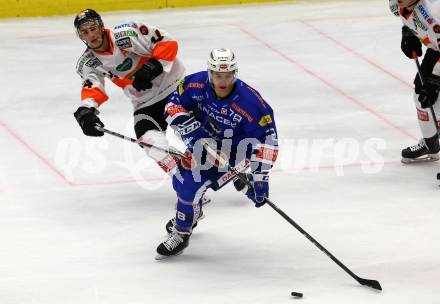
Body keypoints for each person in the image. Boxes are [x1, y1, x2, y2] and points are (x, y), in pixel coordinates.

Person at [156, 48, 279, 259]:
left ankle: (182, 231)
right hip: (205, 141)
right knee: (179, 180)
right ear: (210, 73)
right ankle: (195, 211)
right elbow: (172, 106)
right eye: (217, 75)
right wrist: (193, 132)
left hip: (237, 152)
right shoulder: (195, 83)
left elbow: (268, 142)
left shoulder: (252, 104)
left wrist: (261, 177)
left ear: (235, 73)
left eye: (228, 75)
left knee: (188, 187)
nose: (223, 81)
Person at [72, 9, 185, 175]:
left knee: (191, 129)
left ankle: (228, 164)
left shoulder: (126, 33)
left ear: (101, 27)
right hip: (145, 102)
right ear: (81, 37)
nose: (90, 35)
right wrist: (87, 109)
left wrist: (154, 66)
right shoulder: (88, 62)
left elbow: (167, 42)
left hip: (174, 87)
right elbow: (92, 87)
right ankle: (186, 181)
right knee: (150, 143)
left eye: (93, 28)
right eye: (84, 32)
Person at [390, 0, 440, 163]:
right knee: (421, 96)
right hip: (436, 50)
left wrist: (434, 80)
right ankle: (430, 143)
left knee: (436, 100)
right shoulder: (396, 3)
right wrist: (408, 31)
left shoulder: (434, 12)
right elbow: (406, 15)